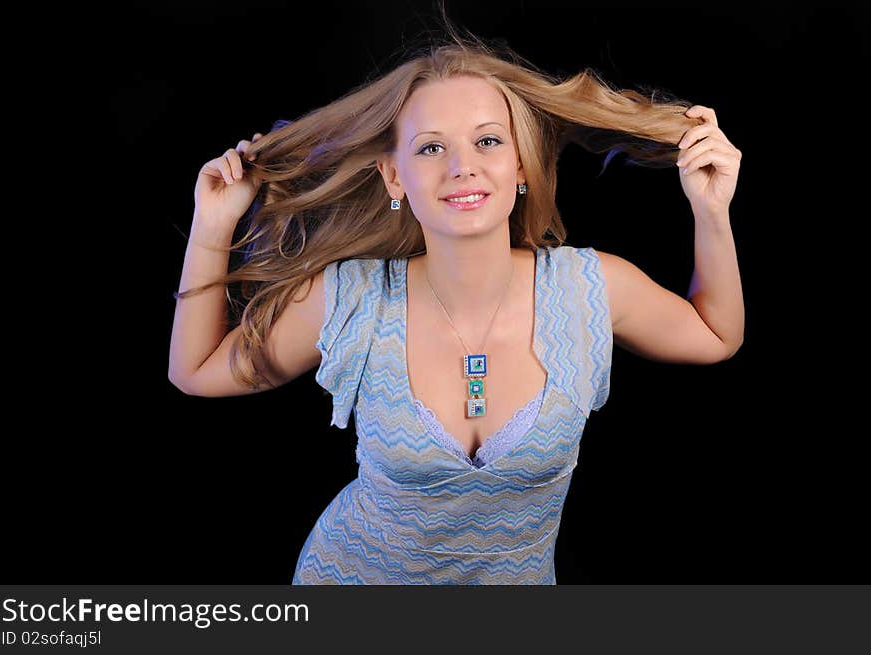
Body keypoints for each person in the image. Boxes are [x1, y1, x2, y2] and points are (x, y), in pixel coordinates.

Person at [168, 29, 744, 584]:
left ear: (521, 164)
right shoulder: (352, 300)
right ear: (395, 176)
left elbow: (716, 335)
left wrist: (711, 210)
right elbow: (195, 372)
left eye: (488, 140)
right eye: (431, 147)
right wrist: (212, 224)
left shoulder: (590, 288)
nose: (462, 165)